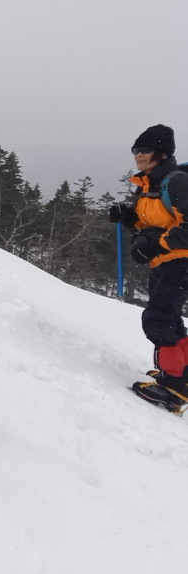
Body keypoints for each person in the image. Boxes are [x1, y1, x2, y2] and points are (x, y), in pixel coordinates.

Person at [110, 124, 188, 414]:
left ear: (163, 153)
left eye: (146, 149)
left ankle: (173, 388)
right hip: (166, 260)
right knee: (170, 318)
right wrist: (130, 218)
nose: (139, 155)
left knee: (158, 319)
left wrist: (157, 244)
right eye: (136, 150)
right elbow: (156, 222)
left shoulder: (177, 182)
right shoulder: (150, 184)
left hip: (181, 261)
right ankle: (181, 371)